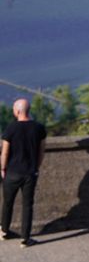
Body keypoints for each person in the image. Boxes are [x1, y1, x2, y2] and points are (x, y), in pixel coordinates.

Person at [1, 96, 48, 247]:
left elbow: (5, 152)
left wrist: (3, 168)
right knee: (27, 205)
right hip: (30, 172)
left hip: (12, 172)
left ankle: (4, 231)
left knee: (8, 203)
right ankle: (25, 238)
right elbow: (41, 151)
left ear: (17, 111)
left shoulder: (11, 128)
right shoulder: (39, 128)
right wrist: (36, 168)